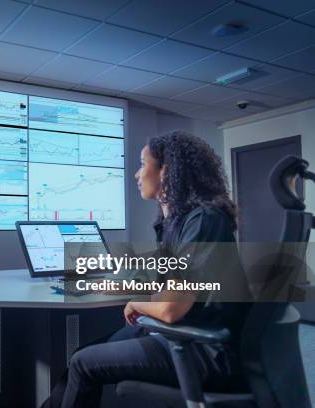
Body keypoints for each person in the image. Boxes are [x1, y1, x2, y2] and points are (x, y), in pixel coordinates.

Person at [44, 130, 251, 408]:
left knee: (83, 363)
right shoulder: (177, 222)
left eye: (143, 164)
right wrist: (109, 285)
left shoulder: (203, 220)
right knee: (83, 352)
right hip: (184, 332)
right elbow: (167, 280)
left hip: (205, 349)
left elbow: (170, 308)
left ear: (166, 171)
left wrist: (136, 303)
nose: (137, 174)